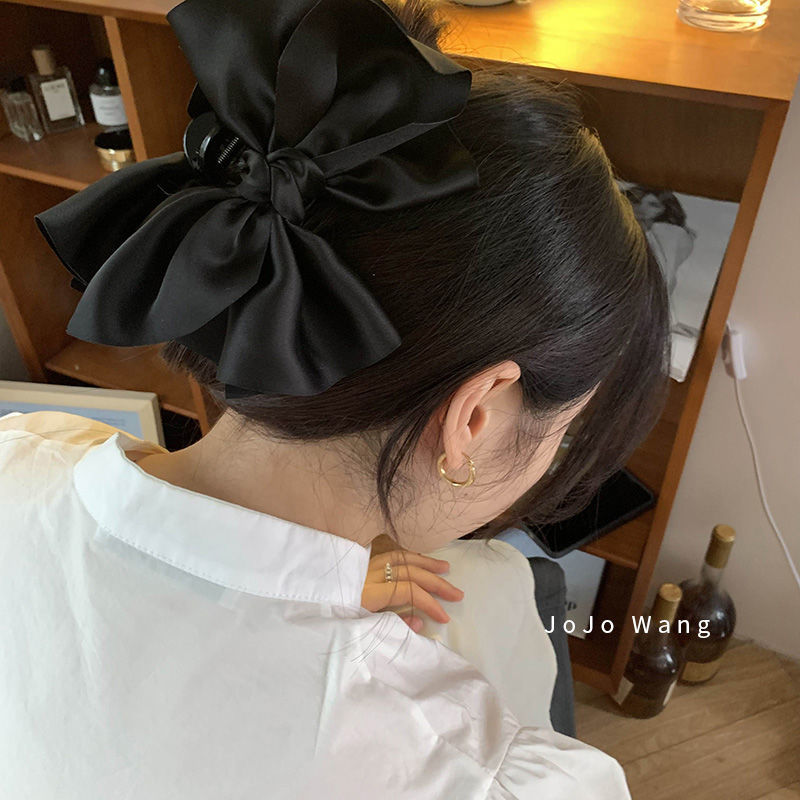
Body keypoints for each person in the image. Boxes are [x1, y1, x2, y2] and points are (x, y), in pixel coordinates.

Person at [0, 0, 670, 797]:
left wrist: (306, 577)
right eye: (566, 432)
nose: (553, 459)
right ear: (476, 415)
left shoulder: (20, 454)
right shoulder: (477, 779)